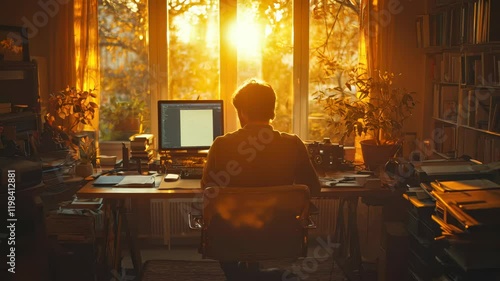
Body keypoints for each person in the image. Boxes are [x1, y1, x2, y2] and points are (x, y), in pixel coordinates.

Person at [201, 79, 321, 280]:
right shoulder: (293, 144)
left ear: (242, 113)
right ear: (272, 112)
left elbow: (207, 189)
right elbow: (314, 189)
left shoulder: (221, 145)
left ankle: (240, 275)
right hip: (279, 235)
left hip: (231, 236)